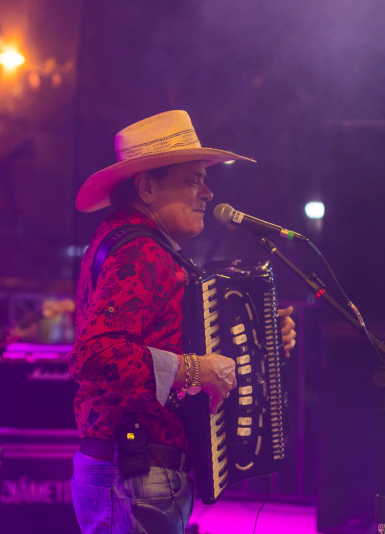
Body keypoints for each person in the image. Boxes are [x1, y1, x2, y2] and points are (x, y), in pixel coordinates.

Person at [69, 110, 297, 533]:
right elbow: (96, 354)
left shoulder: (139, 245)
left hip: (135, 474)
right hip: (134, 472)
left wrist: (263, 338)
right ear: (147, 187)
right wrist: (194, 369)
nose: (208, 193)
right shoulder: (138, 252)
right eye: (193, 180)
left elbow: (166, 339)